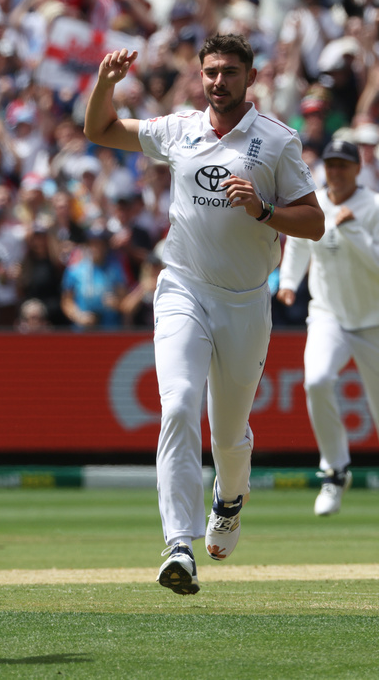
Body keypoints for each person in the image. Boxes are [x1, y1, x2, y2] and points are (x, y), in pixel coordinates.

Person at [84, 33, 324, 595]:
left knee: (230, 435)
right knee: (178, 407)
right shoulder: (180, 128)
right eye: (211, 71)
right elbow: (100, 130)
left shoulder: (277, 142)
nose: (219, 81)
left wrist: (264, 210)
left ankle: (230, 500)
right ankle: (178, 546)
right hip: (183, 288)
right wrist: (105, 84)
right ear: (201, 75)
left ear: (251, 77)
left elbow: (313, 222)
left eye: (230, 72)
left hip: (245, 301)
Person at [277, 138, 379, 516]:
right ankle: (334, 473)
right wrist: (288, 282)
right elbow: (300, 243)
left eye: (343, 165)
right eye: (331, 165)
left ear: (356, 169)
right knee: (317, 380)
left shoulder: (373, 207)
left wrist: (353, 232)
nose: (336, 171)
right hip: (328, 315)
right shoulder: (315, 201)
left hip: (374, 321)